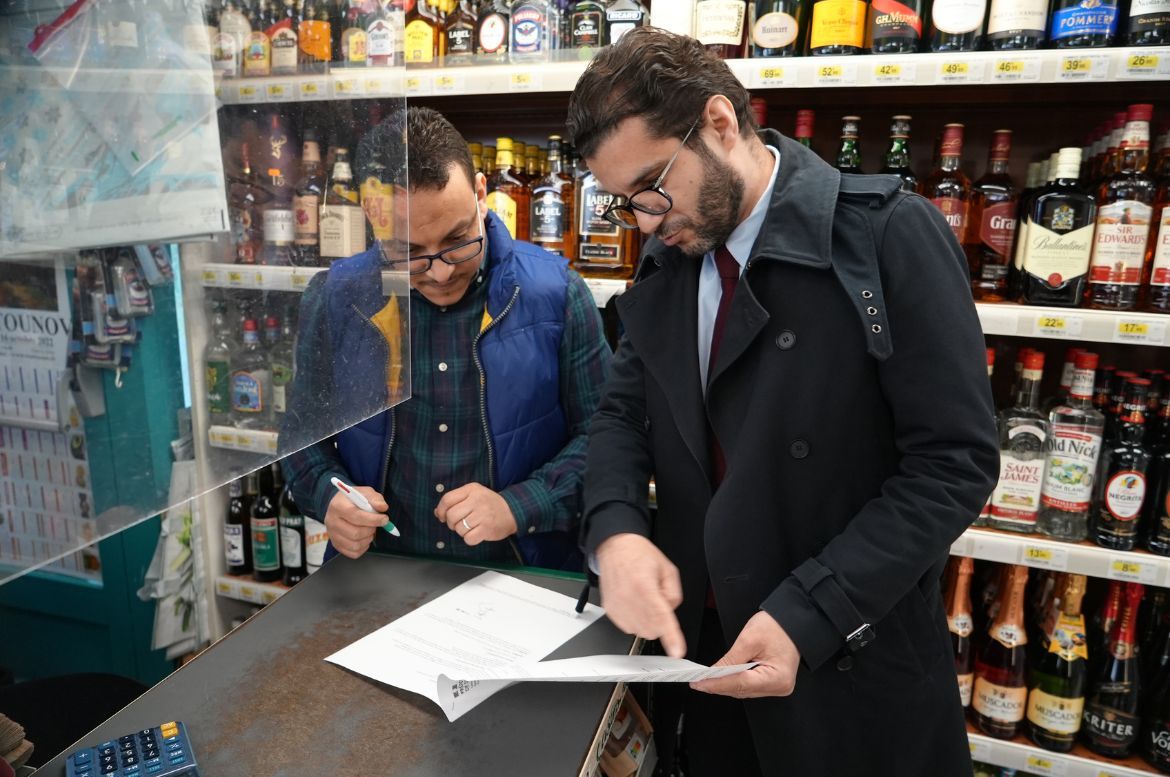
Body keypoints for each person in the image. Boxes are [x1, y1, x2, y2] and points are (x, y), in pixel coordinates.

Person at [567, 28, 999, 776]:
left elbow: (953, 464)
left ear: (719, 122)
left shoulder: (888, 235)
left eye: (652, 186)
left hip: (847, 660)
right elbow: (622, 413)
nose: (644, 220)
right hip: (701, 658)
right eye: (624, 202)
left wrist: (810, 613)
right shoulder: (671, 254)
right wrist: (616, 529)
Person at [281, 107, 610, 570]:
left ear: (481, 194)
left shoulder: (556, 294)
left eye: (458, 240)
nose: (440, 272)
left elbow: (605, 439)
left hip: (519, 573)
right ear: (372, 219)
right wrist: (326, 496)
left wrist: (519, 506)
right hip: (379, 572)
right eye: (409, 252)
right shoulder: (336, 298)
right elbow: (300, 437)